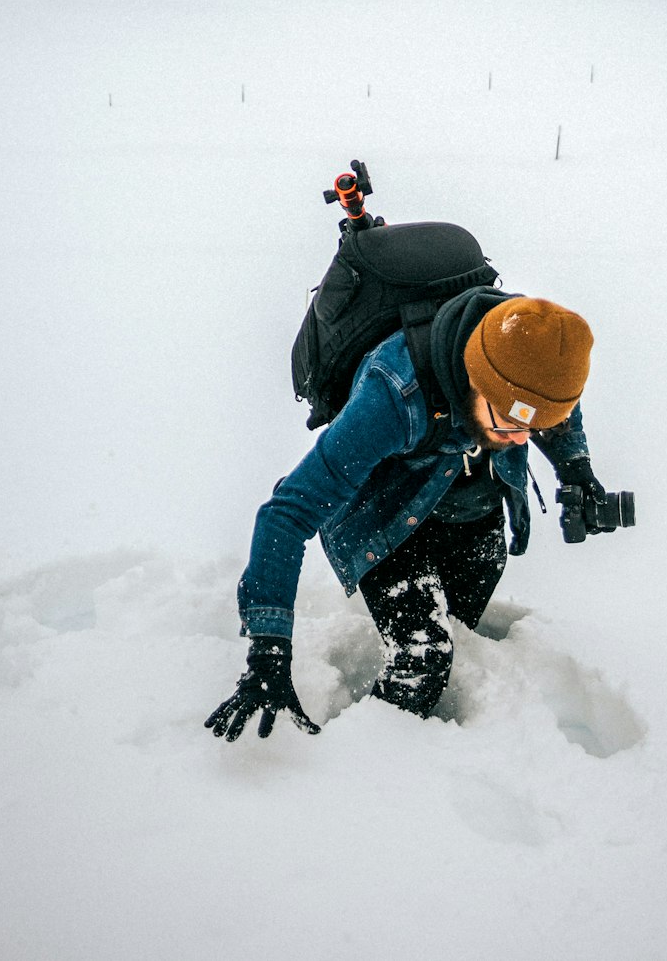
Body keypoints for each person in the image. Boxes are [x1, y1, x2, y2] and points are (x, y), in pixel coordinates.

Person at [205, 289, 605, 741]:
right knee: (424, 658)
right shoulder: (394, 393)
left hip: (474, 504)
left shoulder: (528, 342)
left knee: (458, 626)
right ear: (478, 379)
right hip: (388, 519)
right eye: (511, 424)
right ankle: (372, 771)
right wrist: (268, 651)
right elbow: (288, 512)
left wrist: (576, 467)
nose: (520, 440)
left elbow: (548, 400)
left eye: (532, 428)